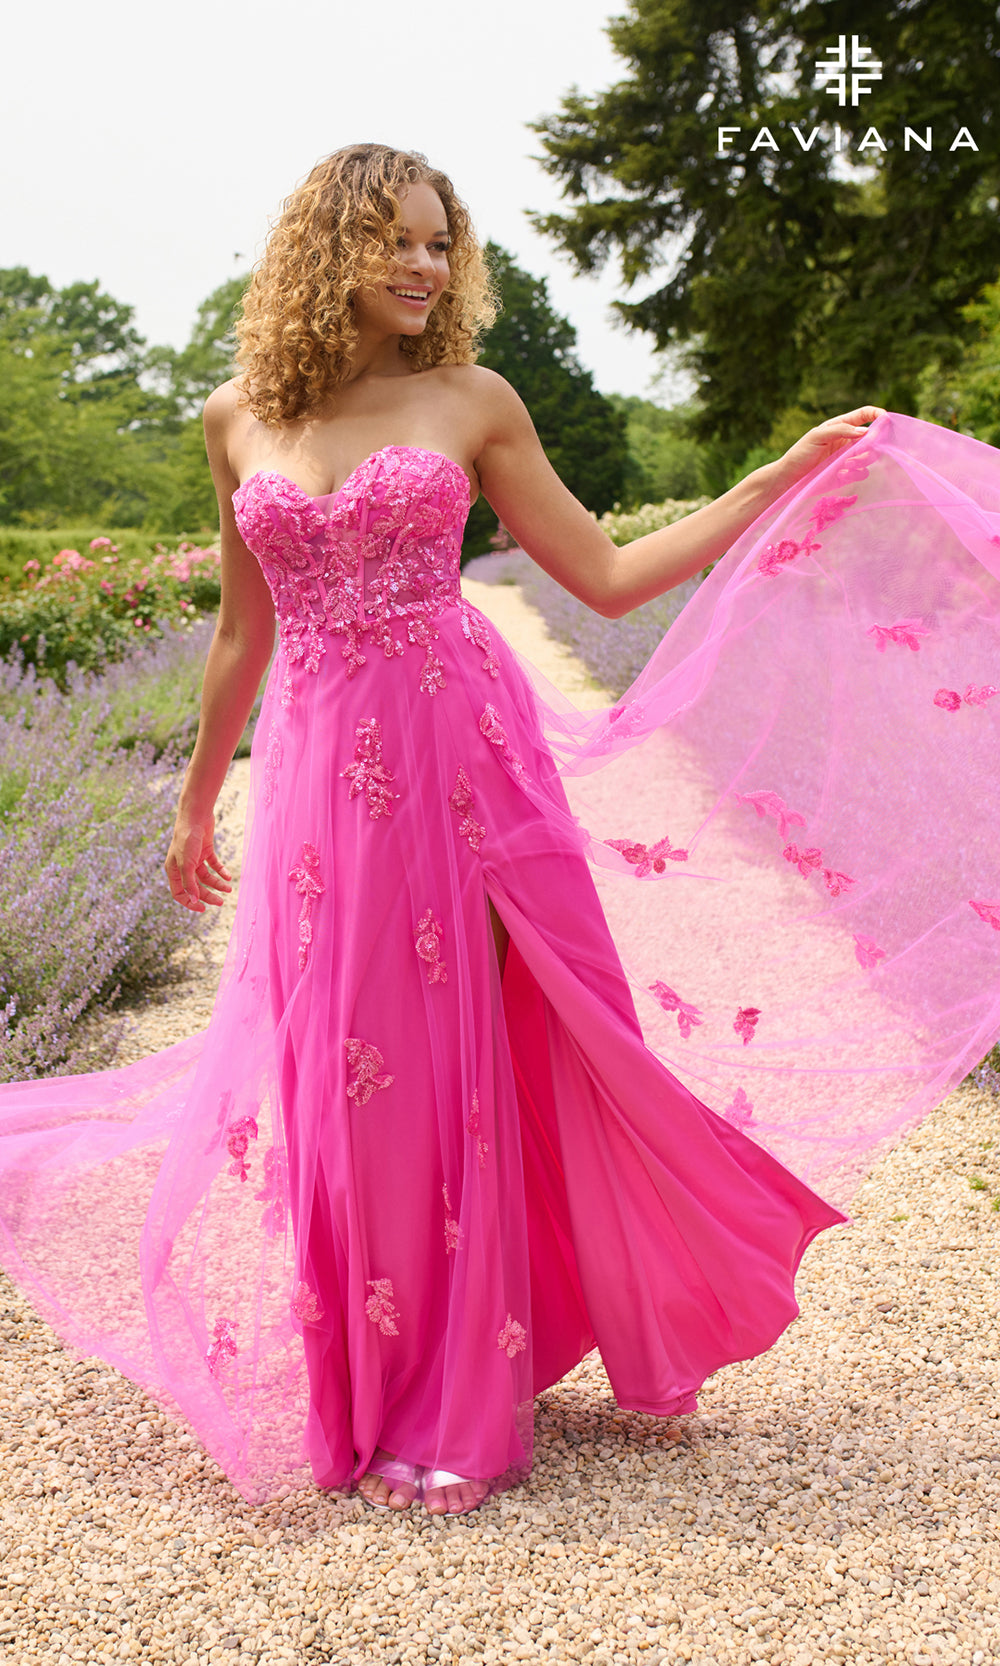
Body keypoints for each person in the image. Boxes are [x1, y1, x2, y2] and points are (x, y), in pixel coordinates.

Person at [160, 142, 878, 1516]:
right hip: (312, 772)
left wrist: (771, 479)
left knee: (446, 1053)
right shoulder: (236, 416)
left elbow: (607, 577)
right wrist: (199, 794)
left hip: (452, 759)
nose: (426, 265)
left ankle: (452, 1386)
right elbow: (243, 630)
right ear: (330, 252)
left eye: (441, 241)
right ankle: (363, 1377)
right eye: (397, 241)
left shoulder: (472, 399)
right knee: (335, 1063)